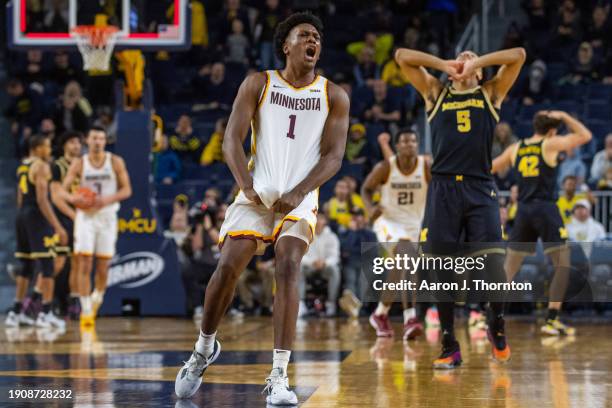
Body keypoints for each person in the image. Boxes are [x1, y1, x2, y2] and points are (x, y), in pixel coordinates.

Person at [174, 12, 349, 405]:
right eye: (305, 35)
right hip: (258, 191)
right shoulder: (259, 83)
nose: (314, 41)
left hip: (301, 196)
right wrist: (245, 185)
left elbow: (335, 157)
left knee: (288, 263)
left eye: (318, 37)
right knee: (228, 267)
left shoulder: (333, 94)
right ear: (286, 45)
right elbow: (231, 141)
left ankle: (279, 376)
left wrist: (301, 190)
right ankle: (204, 350)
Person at [395, 45, 526, 368]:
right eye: (462, 56)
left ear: (480, 73)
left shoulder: (490, 93)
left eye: (472, 58)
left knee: (494, 267)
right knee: (442, 270)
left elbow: (519, 55)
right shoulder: (435, 92)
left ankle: (496, 323)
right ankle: (450, 344)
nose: (466, 59)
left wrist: (477, 63)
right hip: (442, 189)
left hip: (480, 187)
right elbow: (401, 57)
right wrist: (445, 65)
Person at [493, 110, 592, 338]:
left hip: (524, 209)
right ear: (551, 131)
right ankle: (551, 320)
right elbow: (585, 135)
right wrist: (567, 116)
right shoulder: (550, 143)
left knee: (509, 268)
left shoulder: (516, 147)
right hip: (546, 209)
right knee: (562, 265)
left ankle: (491, 315)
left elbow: (490, 168)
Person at [361, 129, 430, 340]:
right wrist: (370, 209)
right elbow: (365, 189)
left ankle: (380, 314)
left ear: (417, 145)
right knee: (406, 256)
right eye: (404, 141)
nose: (409, 144)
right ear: (397, 146)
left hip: (414, 225)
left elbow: (439, 190)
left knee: (401, 268)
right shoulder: (385, 167)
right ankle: (411, 318)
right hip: (387, 222)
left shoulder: (426, 167)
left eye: (412, 141)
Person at [62, 126, 132, 327]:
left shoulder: (115, 161)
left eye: (101, 138)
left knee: (103, 267)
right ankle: (85, 309)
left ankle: (97, 299)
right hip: (85, 217)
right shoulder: (79, 163)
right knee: (84, 261)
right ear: (87, 140)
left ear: (105, 141)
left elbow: (127, 190)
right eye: (94, 138)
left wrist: (106, 200)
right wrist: (75, 198)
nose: (98, 142)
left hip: (107, 216)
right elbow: (63, 190)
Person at [5, 135, 68, 329]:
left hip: (22, 214)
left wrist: (23, 217)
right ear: (38, 148)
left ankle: (15, 313)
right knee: (47, 265)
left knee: (27, 266)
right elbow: (42, 200)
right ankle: (45, 313)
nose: (49, 151)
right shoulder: (41, 166)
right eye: (47, 146)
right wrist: (57, 226)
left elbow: (19, 197)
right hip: (36, 216)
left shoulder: (23, 166)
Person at [298, 213, 341, 317]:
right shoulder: (305, 235)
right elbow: (300, 255)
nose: (318, 221)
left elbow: (335, 256)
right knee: (298, 268)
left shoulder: (332, 236)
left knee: (335, 270)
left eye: (321, 218)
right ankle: (300, 303)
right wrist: (312, 262)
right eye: (316, 218)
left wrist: (324, 263)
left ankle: (331, 303)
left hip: (325, 268)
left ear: (325, 221)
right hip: (310, 267)